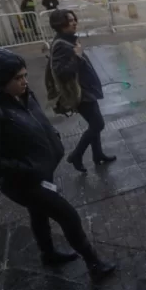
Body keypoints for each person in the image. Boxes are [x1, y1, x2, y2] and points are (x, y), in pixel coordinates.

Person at [0, 48, 115, 280]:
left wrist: (54, 139)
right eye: (17, 78)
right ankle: (94, 264)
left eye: (25, 75)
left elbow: (38, 121)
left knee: (38, 212)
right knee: (67, 215)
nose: (24, 82)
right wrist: (28, 170)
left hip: (39, 169)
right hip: (22, 181)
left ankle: (47, 253)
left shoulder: (24, 94)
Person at [49, 9, 116, 173]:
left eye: (74, 19)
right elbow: (62, 73)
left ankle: (98, 155)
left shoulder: (68, 40)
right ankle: (76, 155)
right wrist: (77, 56)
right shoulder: (61, 45)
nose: (74, 23)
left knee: (94, 124)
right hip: (80, 93)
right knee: (97, 124)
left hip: (86, 90)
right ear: (60, 24)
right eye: (69, 21)